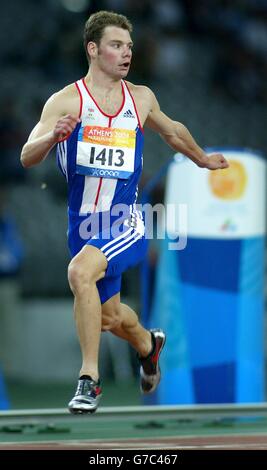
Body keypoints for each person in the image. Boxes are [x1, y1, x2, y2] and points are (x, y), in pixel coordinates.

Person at [20, 11, 229, 414]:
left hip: (124, 222)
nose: (126, 53)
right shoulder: (66, 100)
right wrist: (53, 135)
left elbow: (172, 130)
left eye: (129, 46)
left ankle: (88, 382)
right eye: (116, 45)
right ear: (93, 49)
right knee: (108, 318)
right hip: (82, 226)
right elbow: (27, 156)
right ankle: (149, 346)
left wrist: (201, 159)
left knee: (79, 273)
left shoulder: (141, 97)